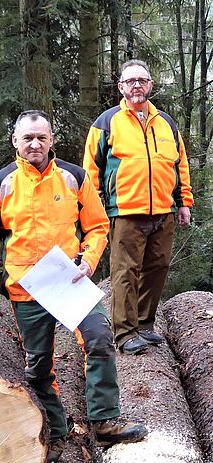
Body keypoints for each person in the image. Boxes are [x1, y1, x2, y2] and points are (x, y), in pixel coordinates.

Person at [0, 109, 147, 463]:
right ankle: (54, 430)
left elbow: (98, 226)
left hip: (69, 281)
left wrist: (88, 260)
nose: (35, 144)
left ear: (51, 140)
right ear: (15, 142)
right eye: (27, 138)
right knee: (37, 369)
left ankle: (104, 421)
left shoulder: (73, 177)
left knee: (99, 339)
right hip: (27, 289)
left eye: (41, 137)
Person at [83, 59, 193, 355]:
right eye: (130, 81)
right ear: (121, 87)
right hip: (125, 211)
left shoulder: (166, 123)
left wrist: (184, 203)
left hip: (163, 210)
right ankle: (125, 334)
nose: (136, 86)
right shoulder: (106, 122)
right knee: (125, 272)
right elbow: (90, 171)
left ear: (150, 86)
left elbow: (179, 165)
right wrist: (93, 213)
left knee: (158, 267)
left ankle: (144, 324)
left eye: (142, 80)